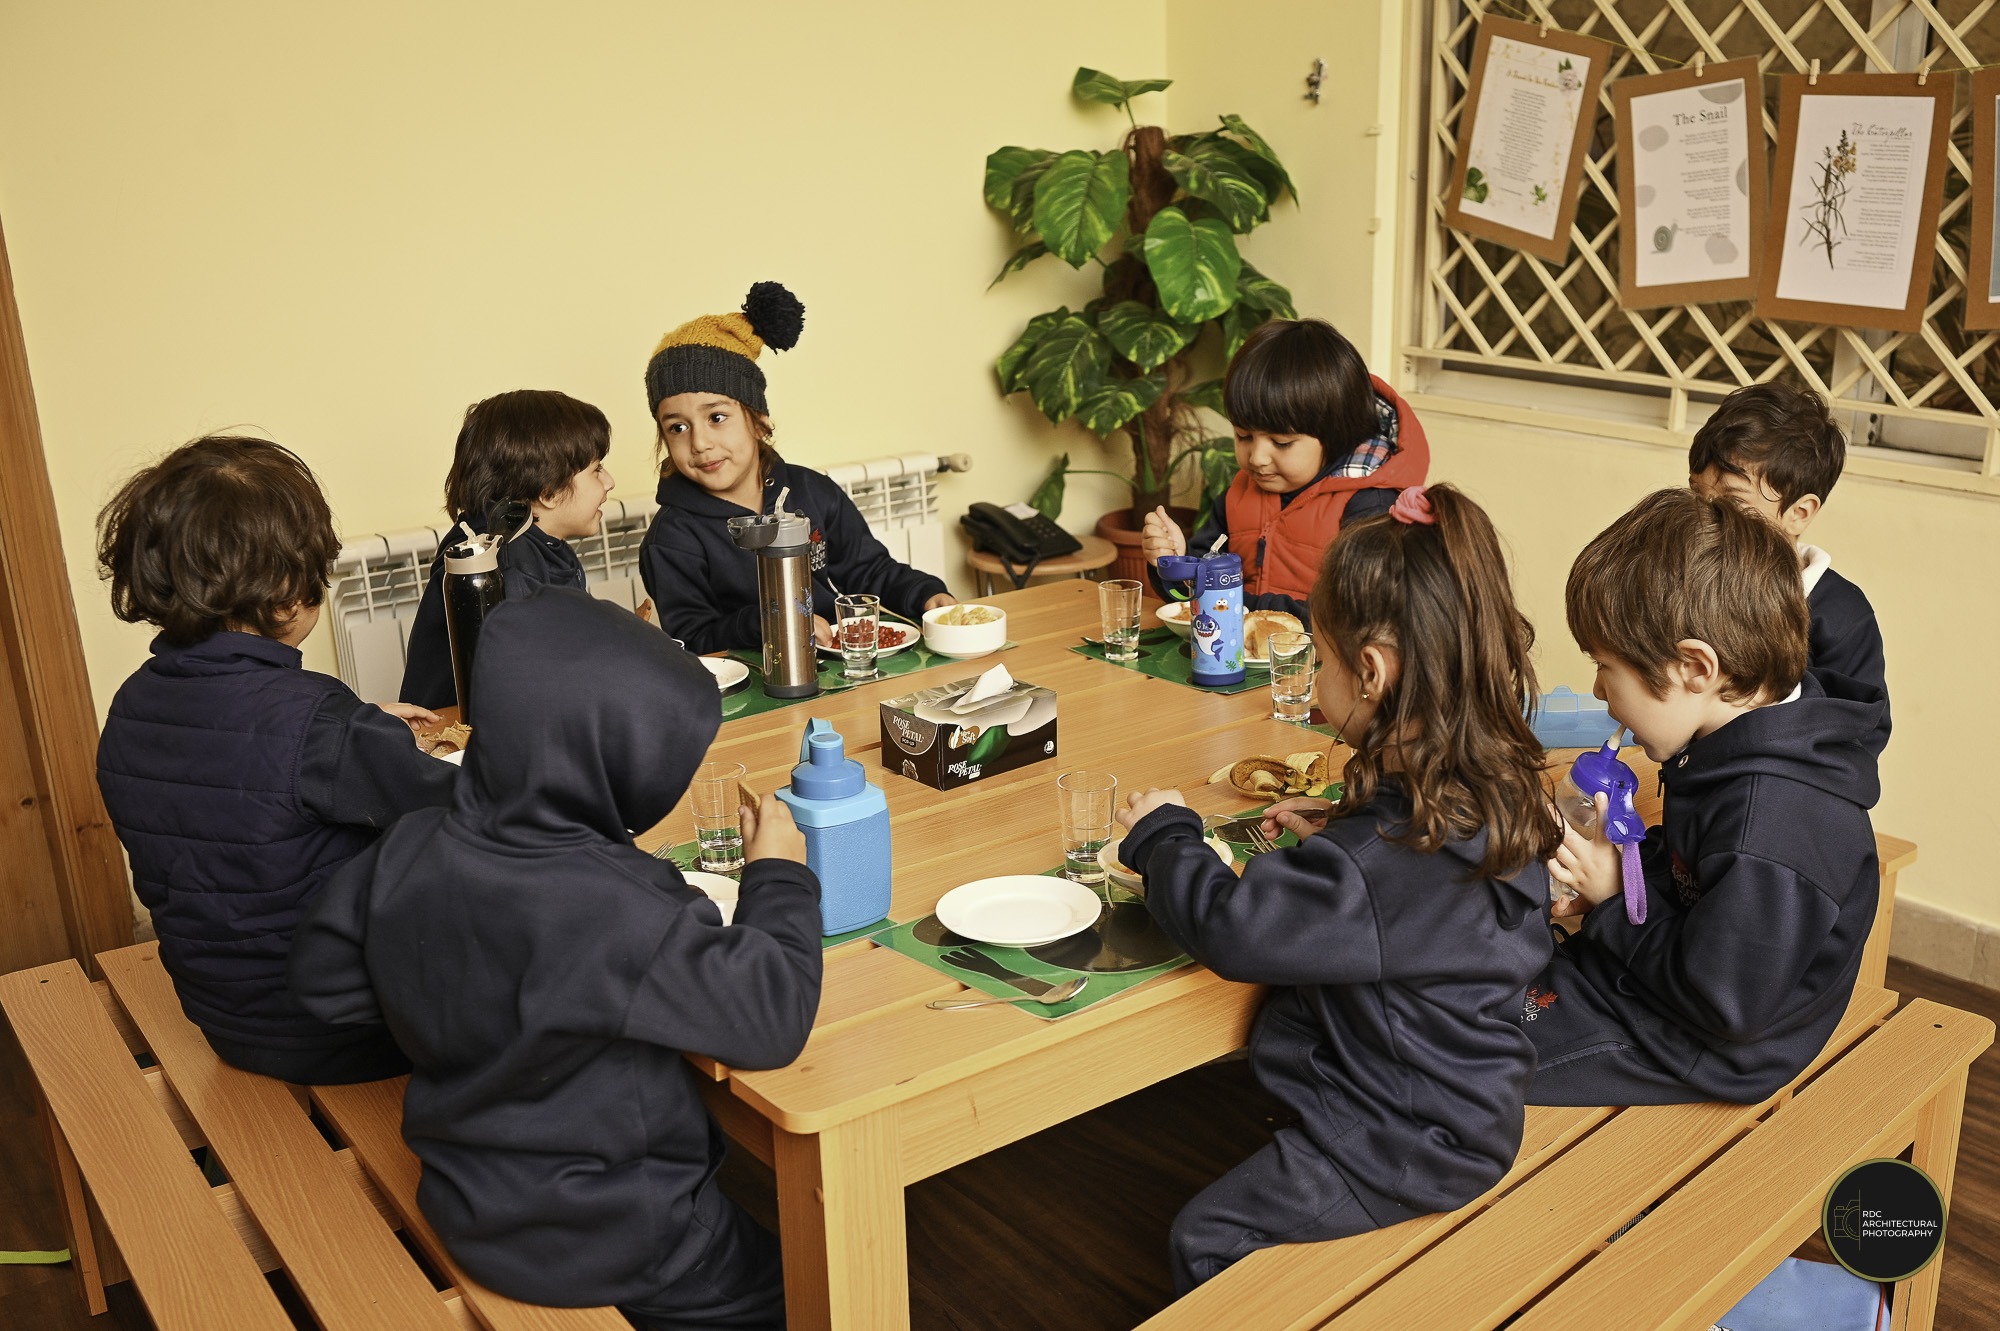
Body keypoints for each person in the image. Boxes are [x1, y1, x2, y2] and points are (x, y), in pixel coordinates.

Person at [291, 585, 822, 1329]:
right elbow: (772, 1018)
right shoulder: (626, 907)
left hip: (464, 1200)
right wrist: (779, 874)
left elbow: (324, 983)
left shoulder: (409, 844)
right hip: (625, 1239)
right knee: (812, 1289)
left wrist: (464, 1001)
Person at [1114, 483, 1557, 1292]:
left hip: (1407, 1138)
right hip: (1466, 1099)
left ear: (1373, 672)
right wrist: (1345, 825)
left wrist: (1164, 837)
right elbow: (1404, 892)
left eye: (1320, 659)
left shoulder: (1378, 863)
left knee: (1203, 1240)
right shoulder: (1492, 785)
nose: (1316, 678)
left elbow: (1236, 929)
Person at [94, 436, 453, 1084]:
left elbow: (237, 762)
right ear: (288, 595)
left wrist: (354, 726)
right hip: (351, 1035)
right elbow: (458, 808)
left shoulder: (132, 704)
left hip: (228, 1021)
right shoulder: (316, 721)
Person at [1529, 488, 1886, 1107]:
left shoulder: (1774, 826)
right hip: (1661, 971)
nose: (1599, 690)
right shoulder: (1728, 741)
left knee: (1461, 1050)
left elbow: (1725, 1001)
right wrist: (1621, 875)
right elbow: (1695, 873)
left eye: (1606, 666)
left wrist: (1613, 899)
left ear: (1696, 668)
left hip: (1702, 1041)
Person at [637, 281, 954, 654]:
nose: (700, 443)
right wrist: (768, 623)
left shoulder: (814, 491)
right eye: (677, 428)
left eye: (717, 417)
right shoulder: (671, 539)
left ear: (758, 420)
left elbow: (869, 570)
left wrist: (923, 593)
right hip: (759, 680)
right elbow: (694, 639)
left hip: (844, 664)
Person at [1141, 319, 1428, 620]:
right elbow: (1193, 594)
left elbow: (1353, 617)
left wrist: (1238, 605)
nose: (1257, 458)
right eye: (1243, 436)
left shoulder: (1371, 507)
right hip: (1232, 646)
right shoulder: (1239, 494)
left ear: (1335, 435)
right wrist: (1174, 565)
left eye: (1281, 442)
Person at [1688, 382, 1888, 753]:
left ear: (1799, 512)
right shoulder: (1685, 578)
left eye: (1733, 501)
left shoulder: (1841, 616)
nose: (1706, 517)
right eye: (1697, 494)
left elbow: (1861, 735)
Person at [399, 389, 615, 709]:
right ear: (550, 493)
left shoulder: (541, 545)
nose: (609, 481)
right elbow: (526, 695)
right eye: (597, 469)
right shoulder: (501, 567)